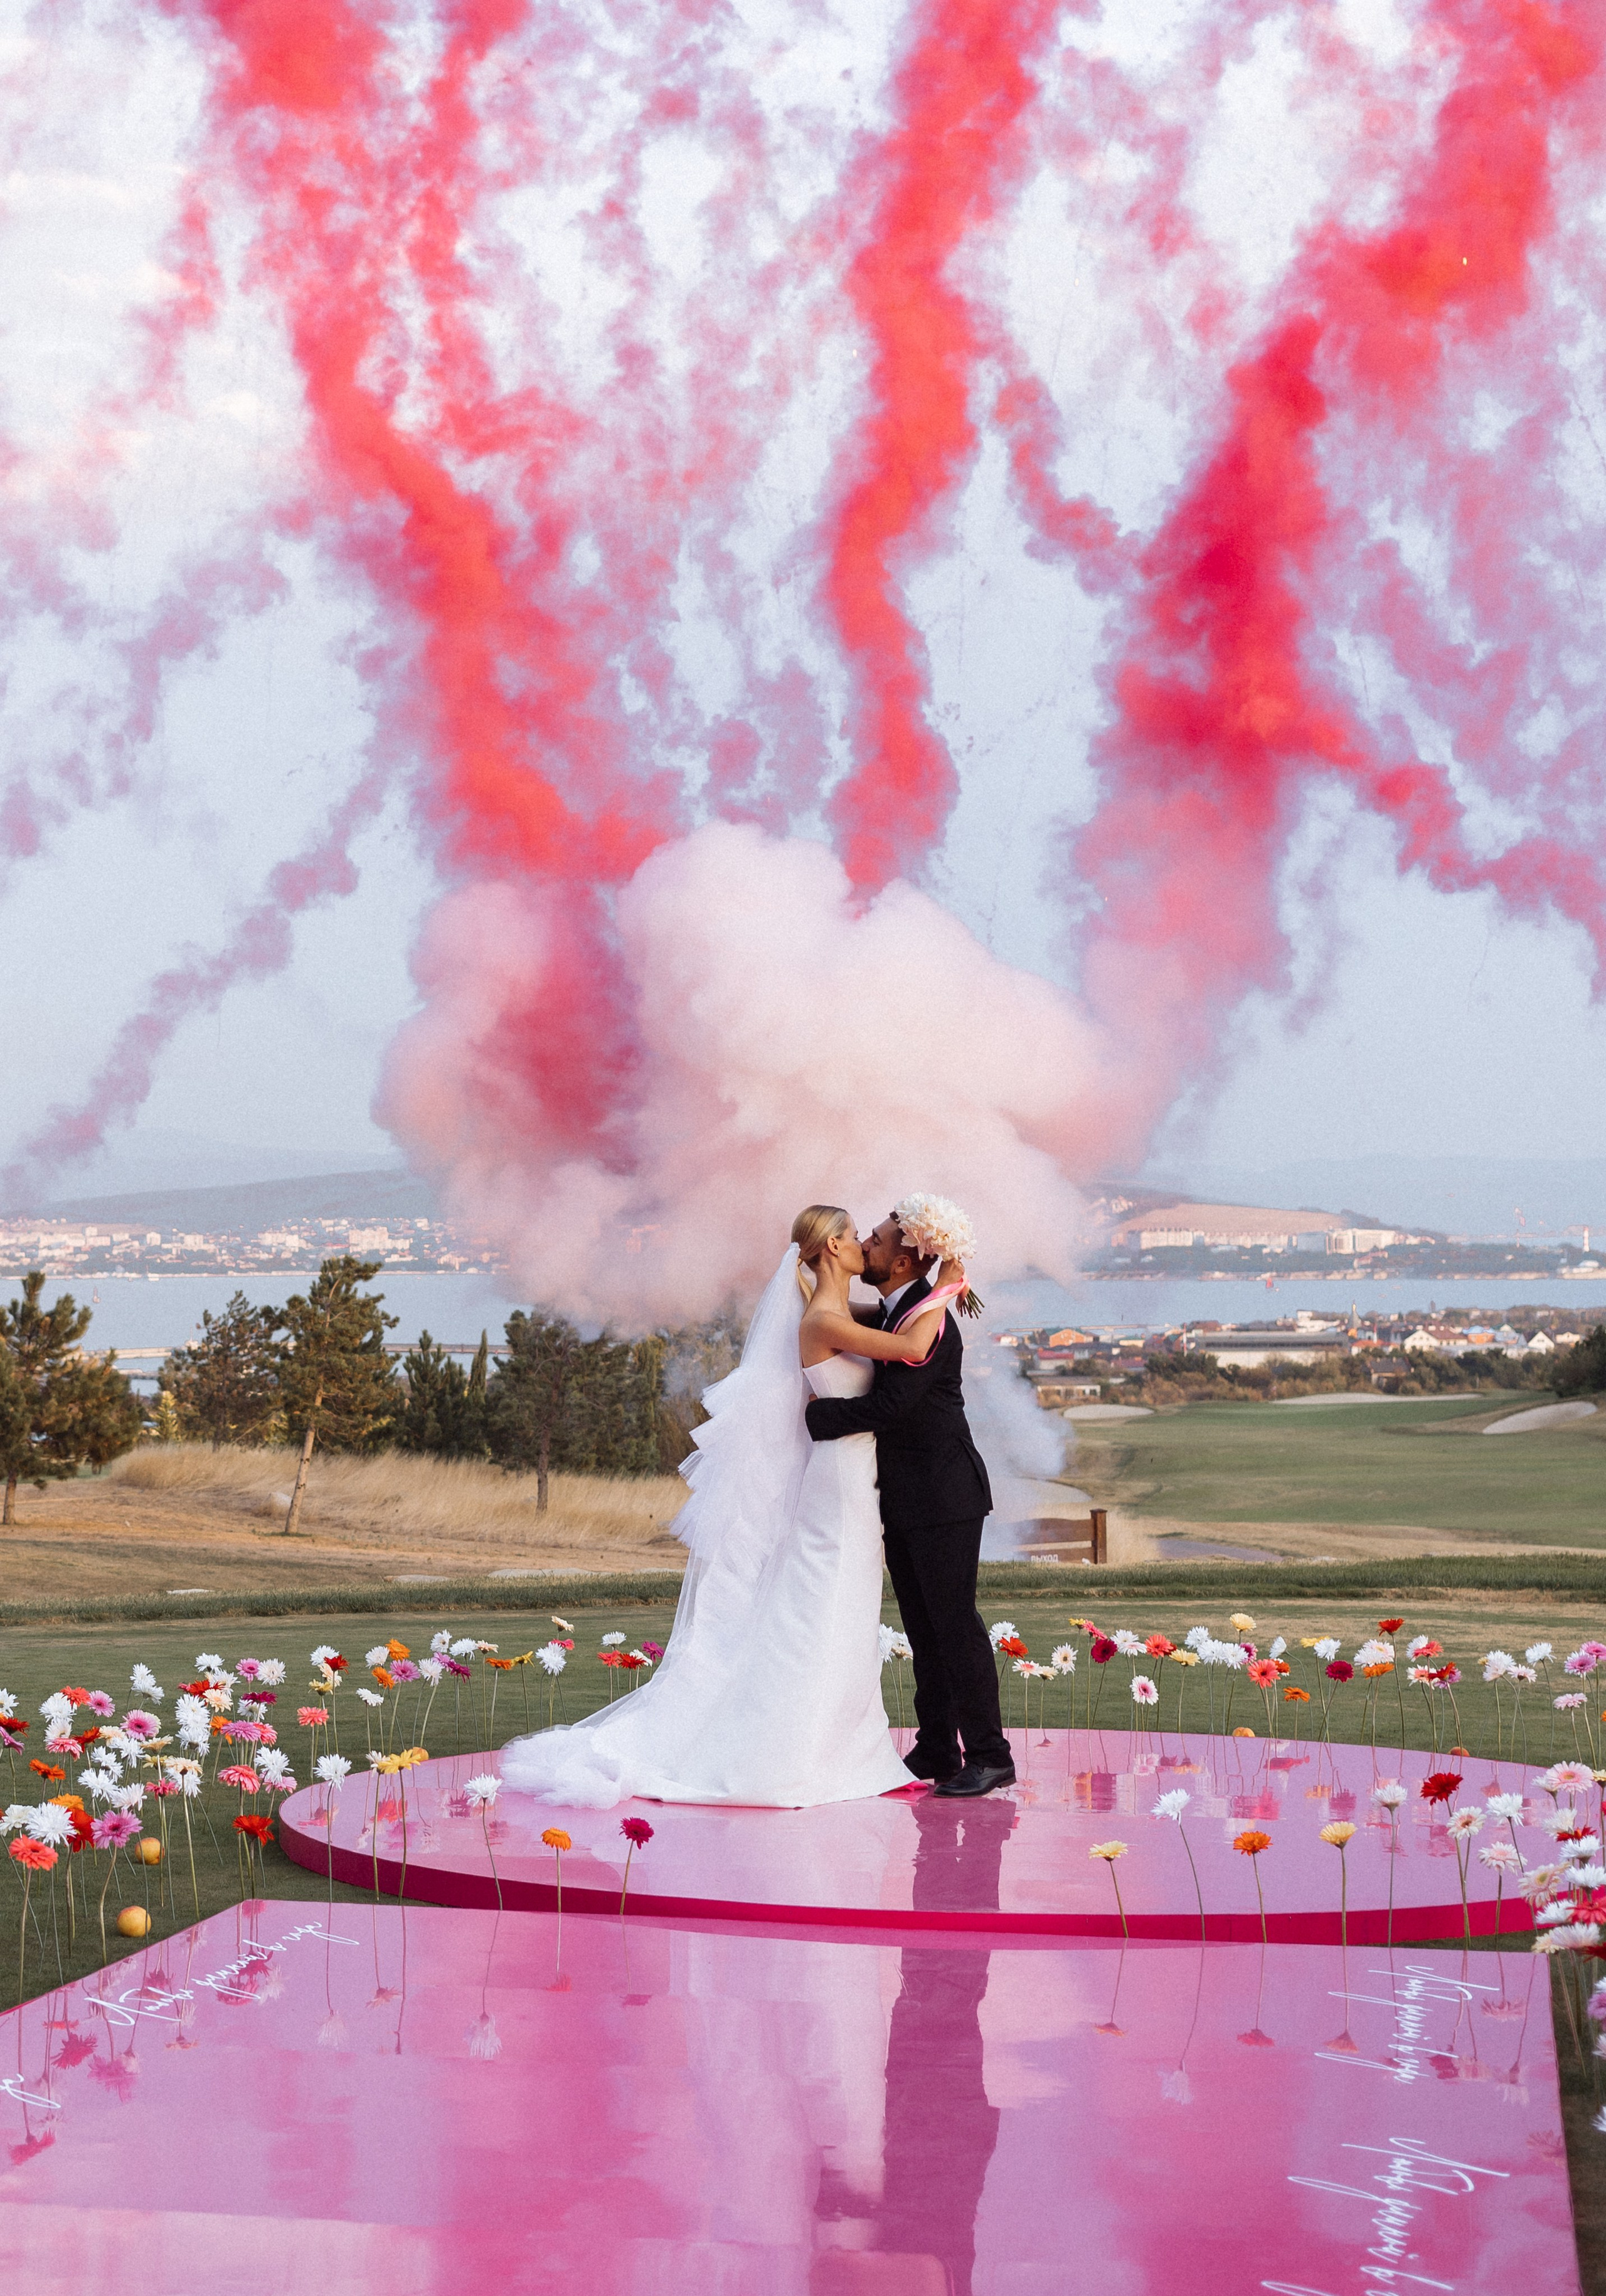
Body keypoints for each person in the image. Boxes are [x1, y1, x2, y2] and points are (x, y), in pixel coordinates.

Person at [497, 1205, 960, 1809]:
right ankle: (797, 1748)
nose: (861, 1243)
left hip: (854, 1478)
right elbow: (912, 1344)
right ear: (828, 1251)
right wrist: (948, 1277)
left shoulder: (839, 1310)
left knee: (840, 1604)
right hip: (841, 1483)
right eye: (852, 1236)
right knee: (828, 1597)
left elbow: (900, 1320)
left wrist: (930, 1280)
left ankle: (837, 1740)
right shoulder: (824, 1318)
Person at [804, 1209, 1013, 1798]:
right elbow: (842, 1316)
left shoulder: (927, 1316)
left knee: (955, 1625)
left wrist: (821, 1418)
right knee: (924, 1628)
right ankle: (939, 1746)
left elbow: (890, 1406)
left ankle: (991, 1755)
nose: (864, 1244)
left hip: (945, 1496)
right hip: (909, 1497)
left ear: (899, 1261)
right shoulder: (901, 1309)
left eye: (873, 1240)